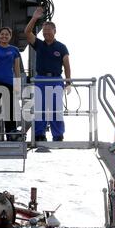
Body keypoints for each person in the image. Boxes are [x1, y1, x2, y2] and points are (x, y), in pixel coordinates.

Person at [24, 7, 71, 142]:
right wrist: (34, 18)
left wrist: (68, 83)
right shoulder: (39, 44)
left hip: (56, 79)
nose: (46, 33)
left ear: (54, 31)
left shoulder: (61, 47)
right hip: (40, 79)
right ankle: (40, 134)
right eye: (44, 31)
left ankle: (58, 135)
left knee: (56, 109)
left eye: (48, 31)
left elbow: (67, 65)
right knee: (40, 109)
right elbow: (27, 32)